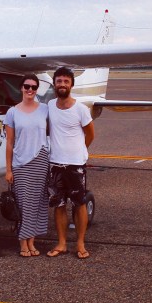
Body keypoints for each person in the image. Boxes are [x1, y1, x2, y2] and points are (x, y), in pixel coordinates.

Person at [46, 67, 95, 259]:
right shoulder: (49, 105)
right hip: (56, 164)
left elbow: (90, 134)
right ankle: (62, 243)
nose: (62, 85)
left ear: (71, 85)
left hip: (75, 165)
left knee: (79, 204)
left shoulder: (81, 109)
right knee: (59, 205)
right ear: (54, 84)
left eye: (66, 81)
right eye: (59, 81)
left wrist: (80, 151)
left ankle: (80, 244)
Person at [4, 74, 50, 257]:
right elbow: (9, 142)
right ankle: (23, 242)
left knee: (37, 203)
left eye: (33, 87)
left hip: (40, 160)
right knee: (23, 204)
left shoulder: (45, 109)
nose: (30, 90)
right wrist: (8, 169)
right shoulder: (12, 112)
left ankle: (32, 241)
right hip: (21, 163)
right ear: (21, 88)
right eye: (27, 86)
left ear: (37, 90)